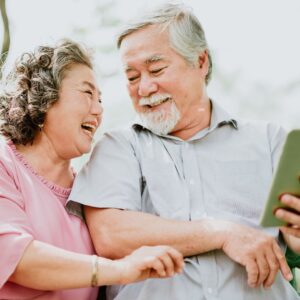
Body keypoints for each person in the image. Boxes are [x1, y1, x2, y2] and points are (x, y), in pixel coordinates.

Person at [67, 3, 300, 300]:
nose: (145, 87)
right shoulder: (118, 147)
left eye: (156, 69)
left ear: (201, 61)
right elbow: (111, 235)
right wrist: (222, 232)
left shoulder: (270, 141)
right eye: (132, 77)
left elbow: (294, 241)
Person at [0, 39, 185, 300]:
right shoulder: (4, 166)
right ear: (44, 96)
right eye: (87, 93)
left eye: (100, 99)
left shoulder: (92, 192)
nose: (98, 110)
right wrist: (120, 269)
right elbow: (15, 257)